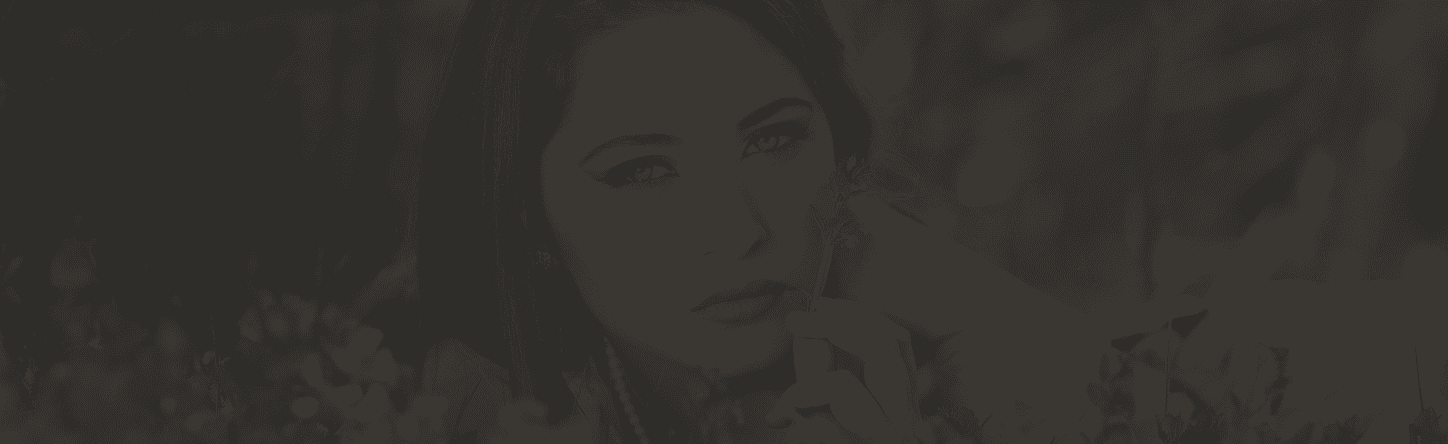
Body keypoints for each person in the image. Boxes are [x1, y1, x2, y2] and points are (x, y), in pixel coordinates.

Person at [417, 0, 1097, 442]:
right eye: (642, 171)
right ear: (528, 222)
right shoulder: (431, 404)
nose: (738, 230)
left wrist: (969, 309)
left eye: (773, 139)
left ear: (842, 156)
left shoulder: (934, 360)